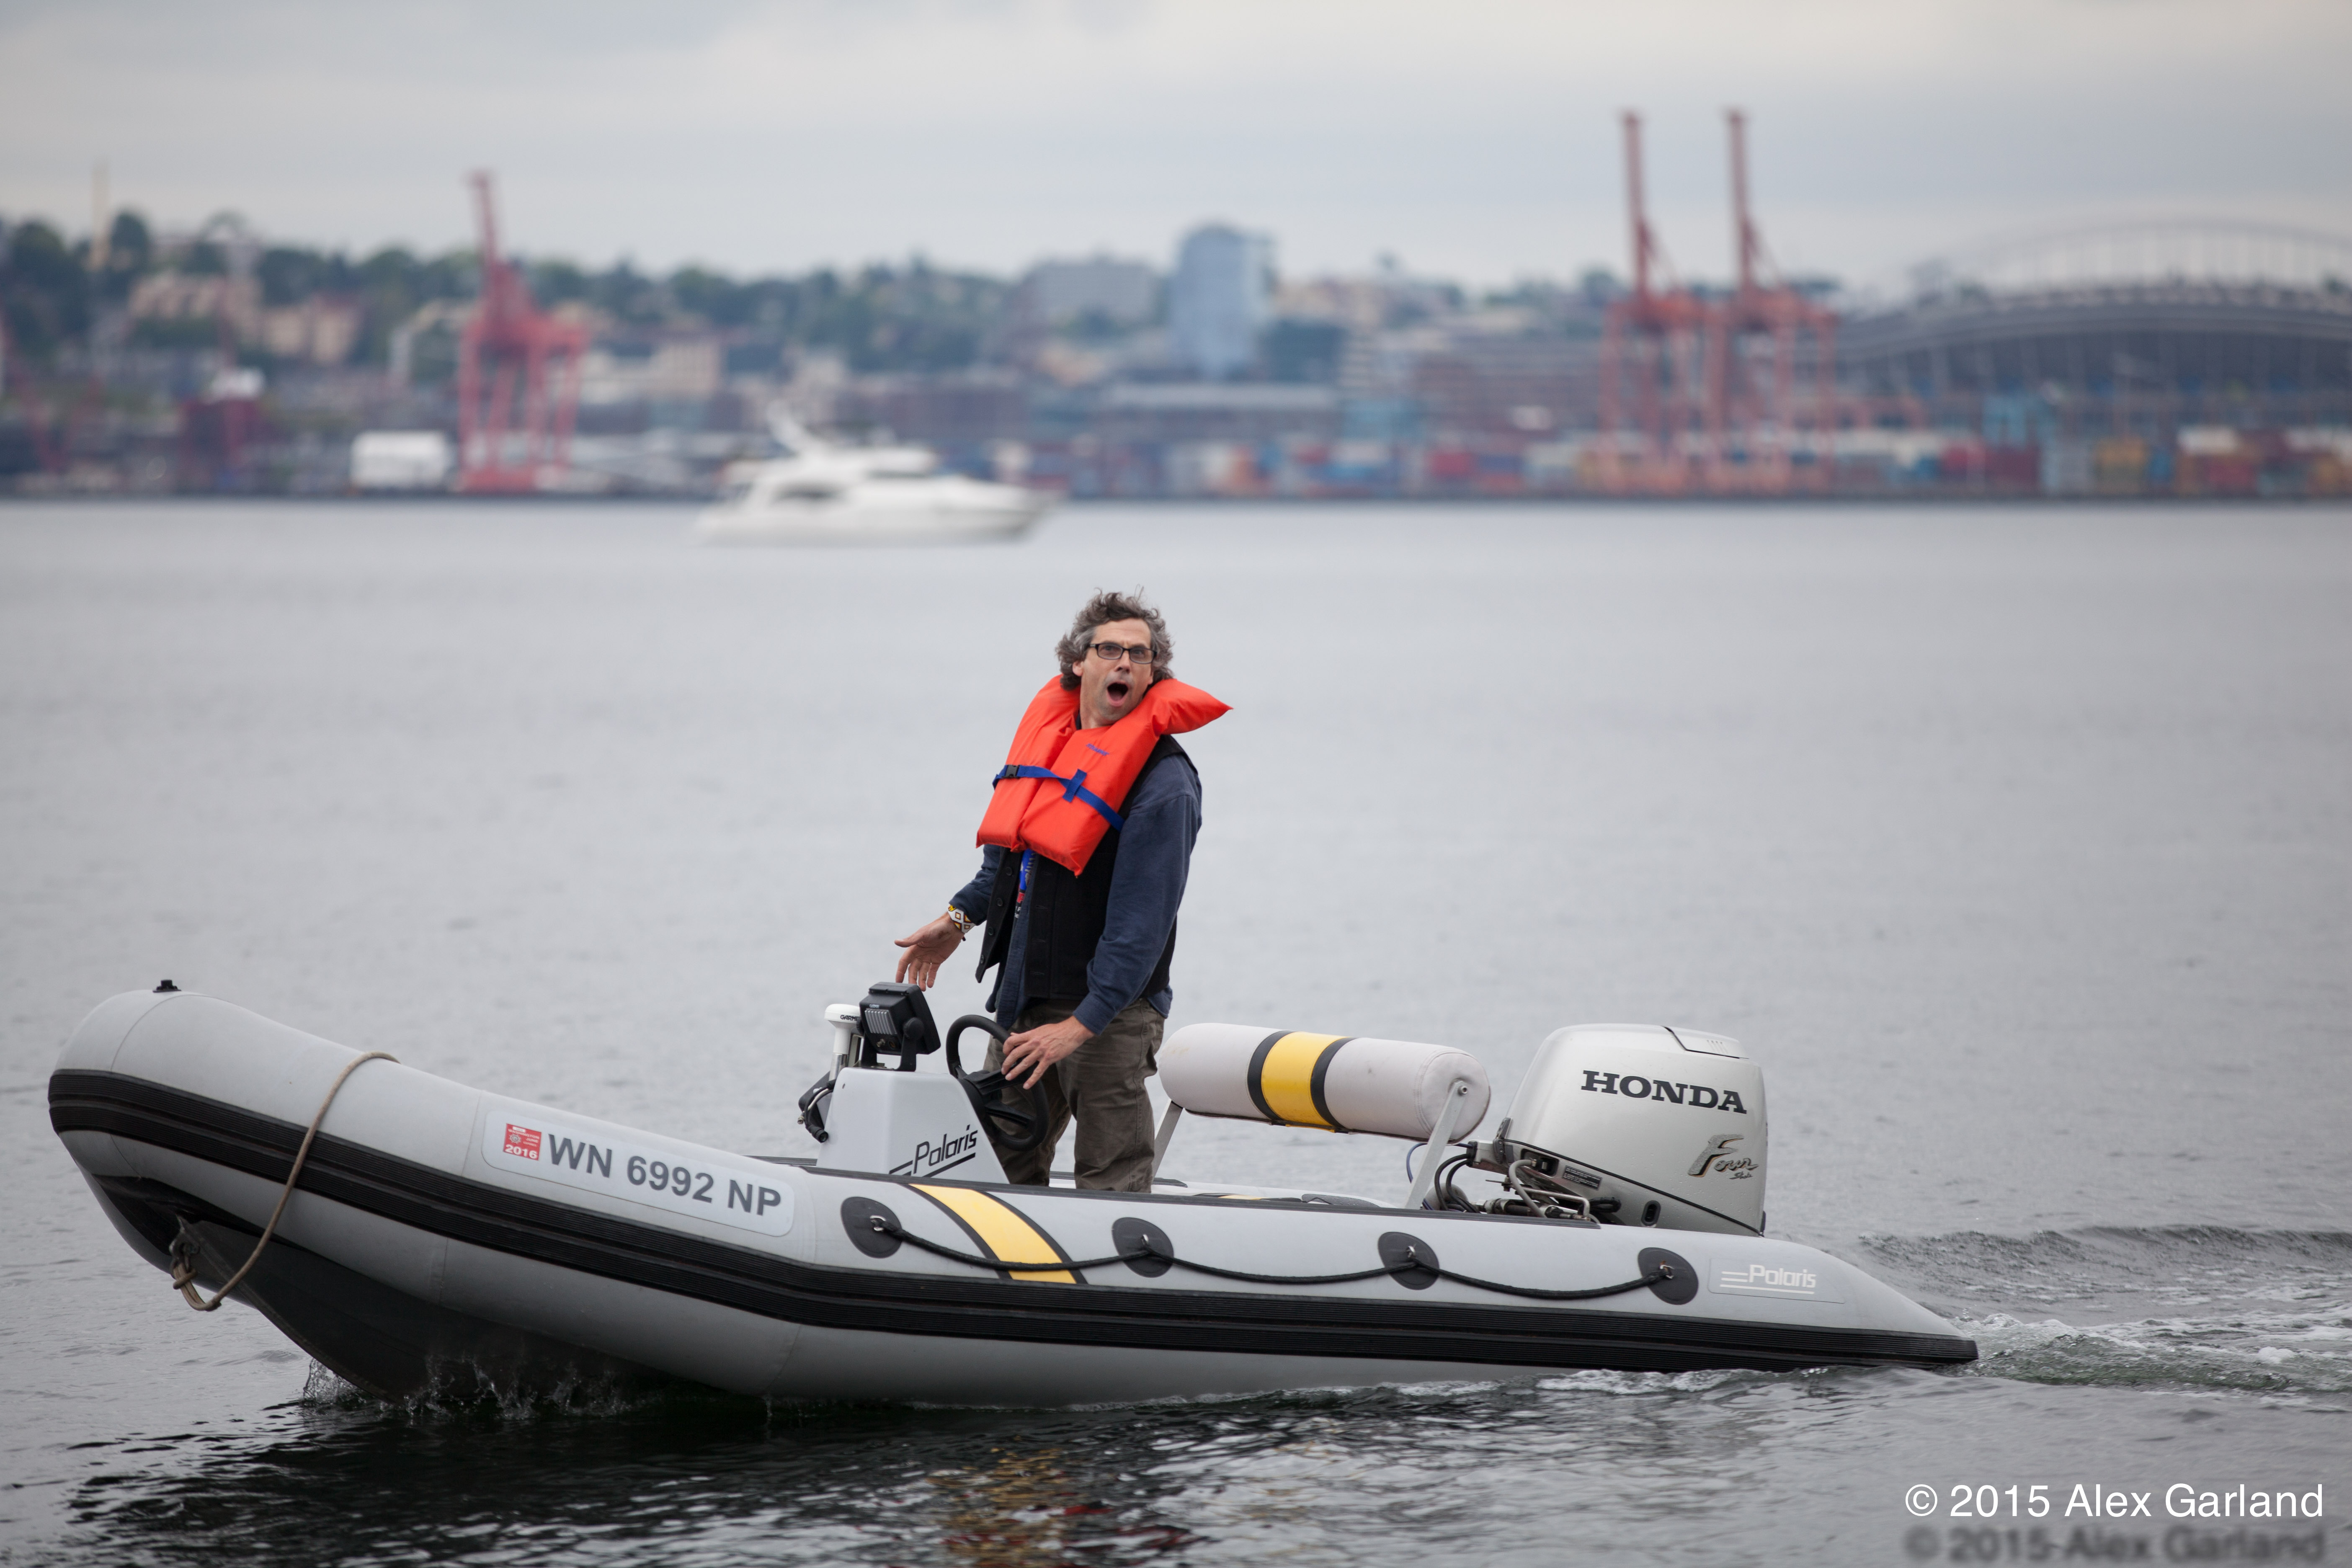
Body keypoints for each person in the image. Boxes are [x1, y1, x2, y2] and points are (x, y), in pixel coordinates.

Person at [893, 590, 1227, 1190]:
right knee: (999, 1172)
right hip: (1024, 1002)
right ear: (1078, 662)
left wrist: (1080, 1026)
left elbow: (1141, 928)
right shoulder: (1048, 746)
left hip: (1110, 1016)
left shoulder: (1165, 783)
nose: (1125, 663)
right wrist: (957, 921)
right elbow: (1006, 864)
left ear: (1155, 672)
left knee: (1110, 1183)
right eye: (1110, 650)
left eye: (1141, 654)